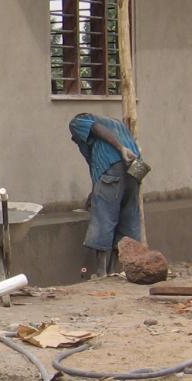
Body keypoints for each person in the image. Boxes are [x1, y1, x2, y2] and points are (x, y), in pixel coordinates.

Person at [69, 112, 144, 278]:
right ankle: (117, 270)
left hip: (116, 163)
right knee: (128, 217)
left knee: (103, 215)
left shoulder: (79, 121)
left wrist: (120, 148)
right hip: (135, 169)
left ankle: (101, 272)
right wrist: (95, 190)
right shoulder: (117, 124)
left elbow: (94, 128)